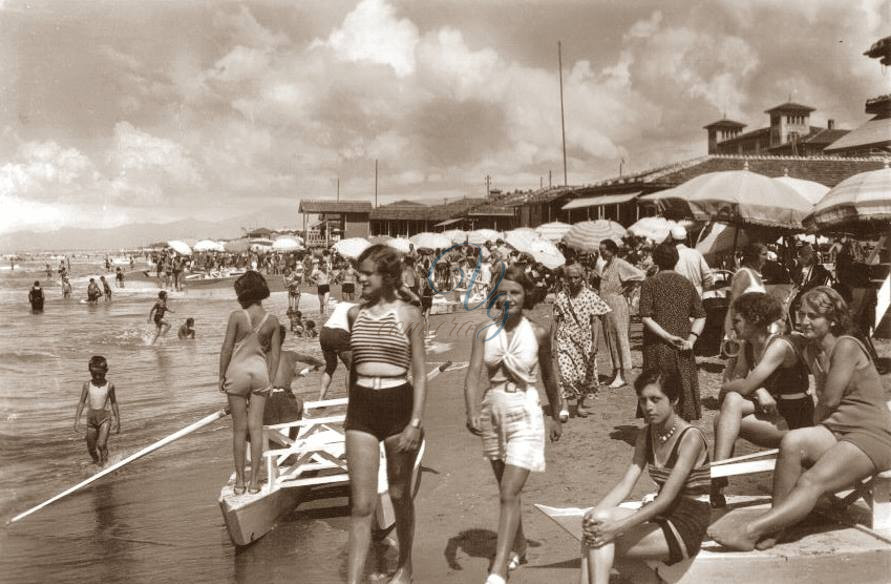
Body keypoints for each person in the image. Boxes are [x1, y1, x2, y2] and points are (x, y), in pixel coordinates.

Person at [709, 286, 891, 551]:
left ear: (832, 320)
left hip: (870, 434)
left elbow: (829, 400)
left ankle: (752, 530)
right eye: (801, 314)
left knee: (810, 480)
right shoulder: (812, 349)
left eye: (813, 316)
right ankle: (776, 526)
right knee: (793, 441)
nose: (804, 321)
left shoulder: (847, 346)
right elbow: (778, 352)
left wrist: (818, 427)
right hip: (837, 429)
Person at [464, 265, 563, 584]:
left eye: (516, 293)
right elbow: (472, 378)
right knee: (506, 490)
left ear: (527, 295)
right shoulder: (484, 333)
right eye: (503, 292)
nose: (508, 298)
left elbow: (549, 376)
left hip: (525, 411)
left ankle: (499, 567)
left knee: (509, 491)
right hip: (492, 411)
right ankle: (519, 544)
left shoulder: (538, 333)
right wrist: (471, 412)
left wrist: (556, 414)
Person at [343, 244, 427, 584]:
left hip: (398, 405)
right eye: (358, 272)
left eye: (366, 273)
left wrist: (415, 423)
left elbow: (420, 374)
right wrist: (349, 414)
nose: (358, 278)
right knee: (361, 506)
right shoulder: (353, 314)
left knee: (398, 495)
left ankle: (405, 568)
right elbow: (352, 370)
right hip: (361, 408)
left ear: (387, 276)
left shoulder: (409, 315)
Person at [580, 370, 710, 584]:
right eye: (643, 400)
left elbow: (666, 498)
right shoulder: (646, 435)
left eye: (656, 399)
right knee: (595, 525)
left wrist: (617, 528)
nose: (649, 406)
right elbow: (626, 484)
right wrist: (595, 513)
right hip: (662, 516)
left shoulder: (691, 438)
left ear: (674, 400)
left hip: (687, 523)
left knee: (598, 539)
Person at [710, 292, 813, 508]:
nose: (733, 327)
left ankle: (717, 477)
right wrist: (759, 392)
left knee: (723, 419)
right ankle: (718, 475)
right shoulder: (748, 346)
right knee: (730, 403)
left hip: (797, 419)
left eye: (737, 321)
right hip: (775, 411)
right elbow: (730, 388)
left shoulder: (779, 346)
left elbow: (740, 384)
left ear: (755, 319)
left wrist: (749, 388)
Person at [218, 271, 281, 495]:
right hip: (260, 372)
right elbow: (275, 354)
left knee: (239, 430)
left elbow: (226, 348)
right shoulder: (272, 320)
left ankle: (239, 484)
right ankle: (255, 483)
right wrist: (271, 380)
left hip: (238, 371)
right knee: (256, 429)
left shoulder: (237, 316)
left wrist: (221, 375)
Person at [638, 243, 706, 422]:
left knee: (657, 388)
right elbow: (700, 316)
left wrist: (667, 337)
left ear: (655, 260)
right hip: (683, 346)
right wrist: (691, 340)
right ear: (676, 259)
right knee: (682, 387)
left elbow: (645, 317)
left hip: (657, 345)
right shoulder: (686, 283)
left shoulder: (650, 283)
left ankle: (659, 437)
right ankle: (683, 435)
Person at [553, 263, 611, 418]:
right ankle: (564, 406)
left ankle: (579, 405)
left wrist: (595, 343)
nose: (573, 281)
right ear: (565, 279)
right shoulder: (561, 297)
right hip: (565, 338)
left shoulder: (590, 296)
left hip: (584, 341)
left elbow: (595, 321)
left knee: (584, 374)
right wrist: (554, 341)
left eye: (576, 277)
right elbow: (555, 319)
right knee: (566, 373)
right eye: (570, 278)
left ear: (582, 278)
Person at [598, 239, 645, 388]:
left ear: (611, 250)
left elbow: (640, 275)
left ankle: (622, 374)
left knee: (620, 337)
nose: (601, 253)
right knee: (609, 338)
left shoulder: (620, 264)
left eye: (603, 250)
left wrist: (627, 287)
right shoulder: (606, 266)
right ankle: (614, 371)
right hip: (606, 305)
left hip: (618, 305)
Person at [267, 325, 324, 439]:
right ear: (283, 339)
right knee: (300, 403)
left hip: (267, 408)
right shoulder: (291, 355)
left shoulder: (261, 357)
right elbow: (309, 359)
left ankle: (267, 443)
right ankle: (291, 441)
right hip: (287, 409)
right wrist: (320, 363)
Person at [73, 356, 120, 466]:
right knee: (90, 448)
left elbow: (113, 403)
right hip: (91, 421)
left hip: (105, 419)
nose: (98, 377)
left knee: (101, 444)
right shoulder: (87, 385)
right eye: (94, 374)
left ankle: (105, 464)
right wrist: (77, 420)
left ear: (106, 371)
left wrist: (118, 421)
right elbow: (81, 403)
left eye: (101, 374)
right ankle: (96, 461)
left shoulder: (110, 386)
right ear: (90, 371)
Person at [723, 243, 768, 346]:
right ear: (754, 255)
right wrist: (734, 328)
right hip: (742, 326)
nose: (767, 257)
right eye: (764, 254)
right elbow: (734, 302)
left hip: (753, 326)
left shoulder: (755, 274)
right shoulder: (744, 274)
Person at [318, 300, 355, 400]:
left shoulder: (342, 304)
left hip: (325, 332)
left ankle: (320, 398)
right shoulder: (360, 309)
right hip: (341, 333)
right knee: (351, 368)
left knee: (330, 367)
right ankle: (350, 399)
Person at [789, 244, 831, 328]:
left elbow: (807, 285)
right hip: (813, 294)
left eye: (799, 257)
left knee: (791, 305)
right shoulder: (812, 269)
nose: (798, 259)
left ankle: (792, 326)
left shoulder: (818, 271)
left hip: (811, 295)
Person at [670, 225, 714, 296]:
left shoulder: (669, 256)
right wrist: (701, 292)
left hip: (679, 297)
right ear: (685, 239)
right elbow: (709, 277)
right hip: (697, 295)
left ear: (672, 240)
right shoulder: (696, 253)